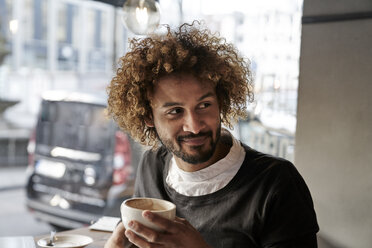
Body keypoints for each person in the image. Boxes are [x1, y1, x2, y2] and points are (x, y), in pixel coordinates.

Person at [105, 21, 319, 248]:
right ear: (149, 117)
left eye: (204, 105)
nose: (195, 126)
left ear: (221, 102)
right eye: (175, 111)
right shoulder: (152, 165)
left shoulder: (276, 182)